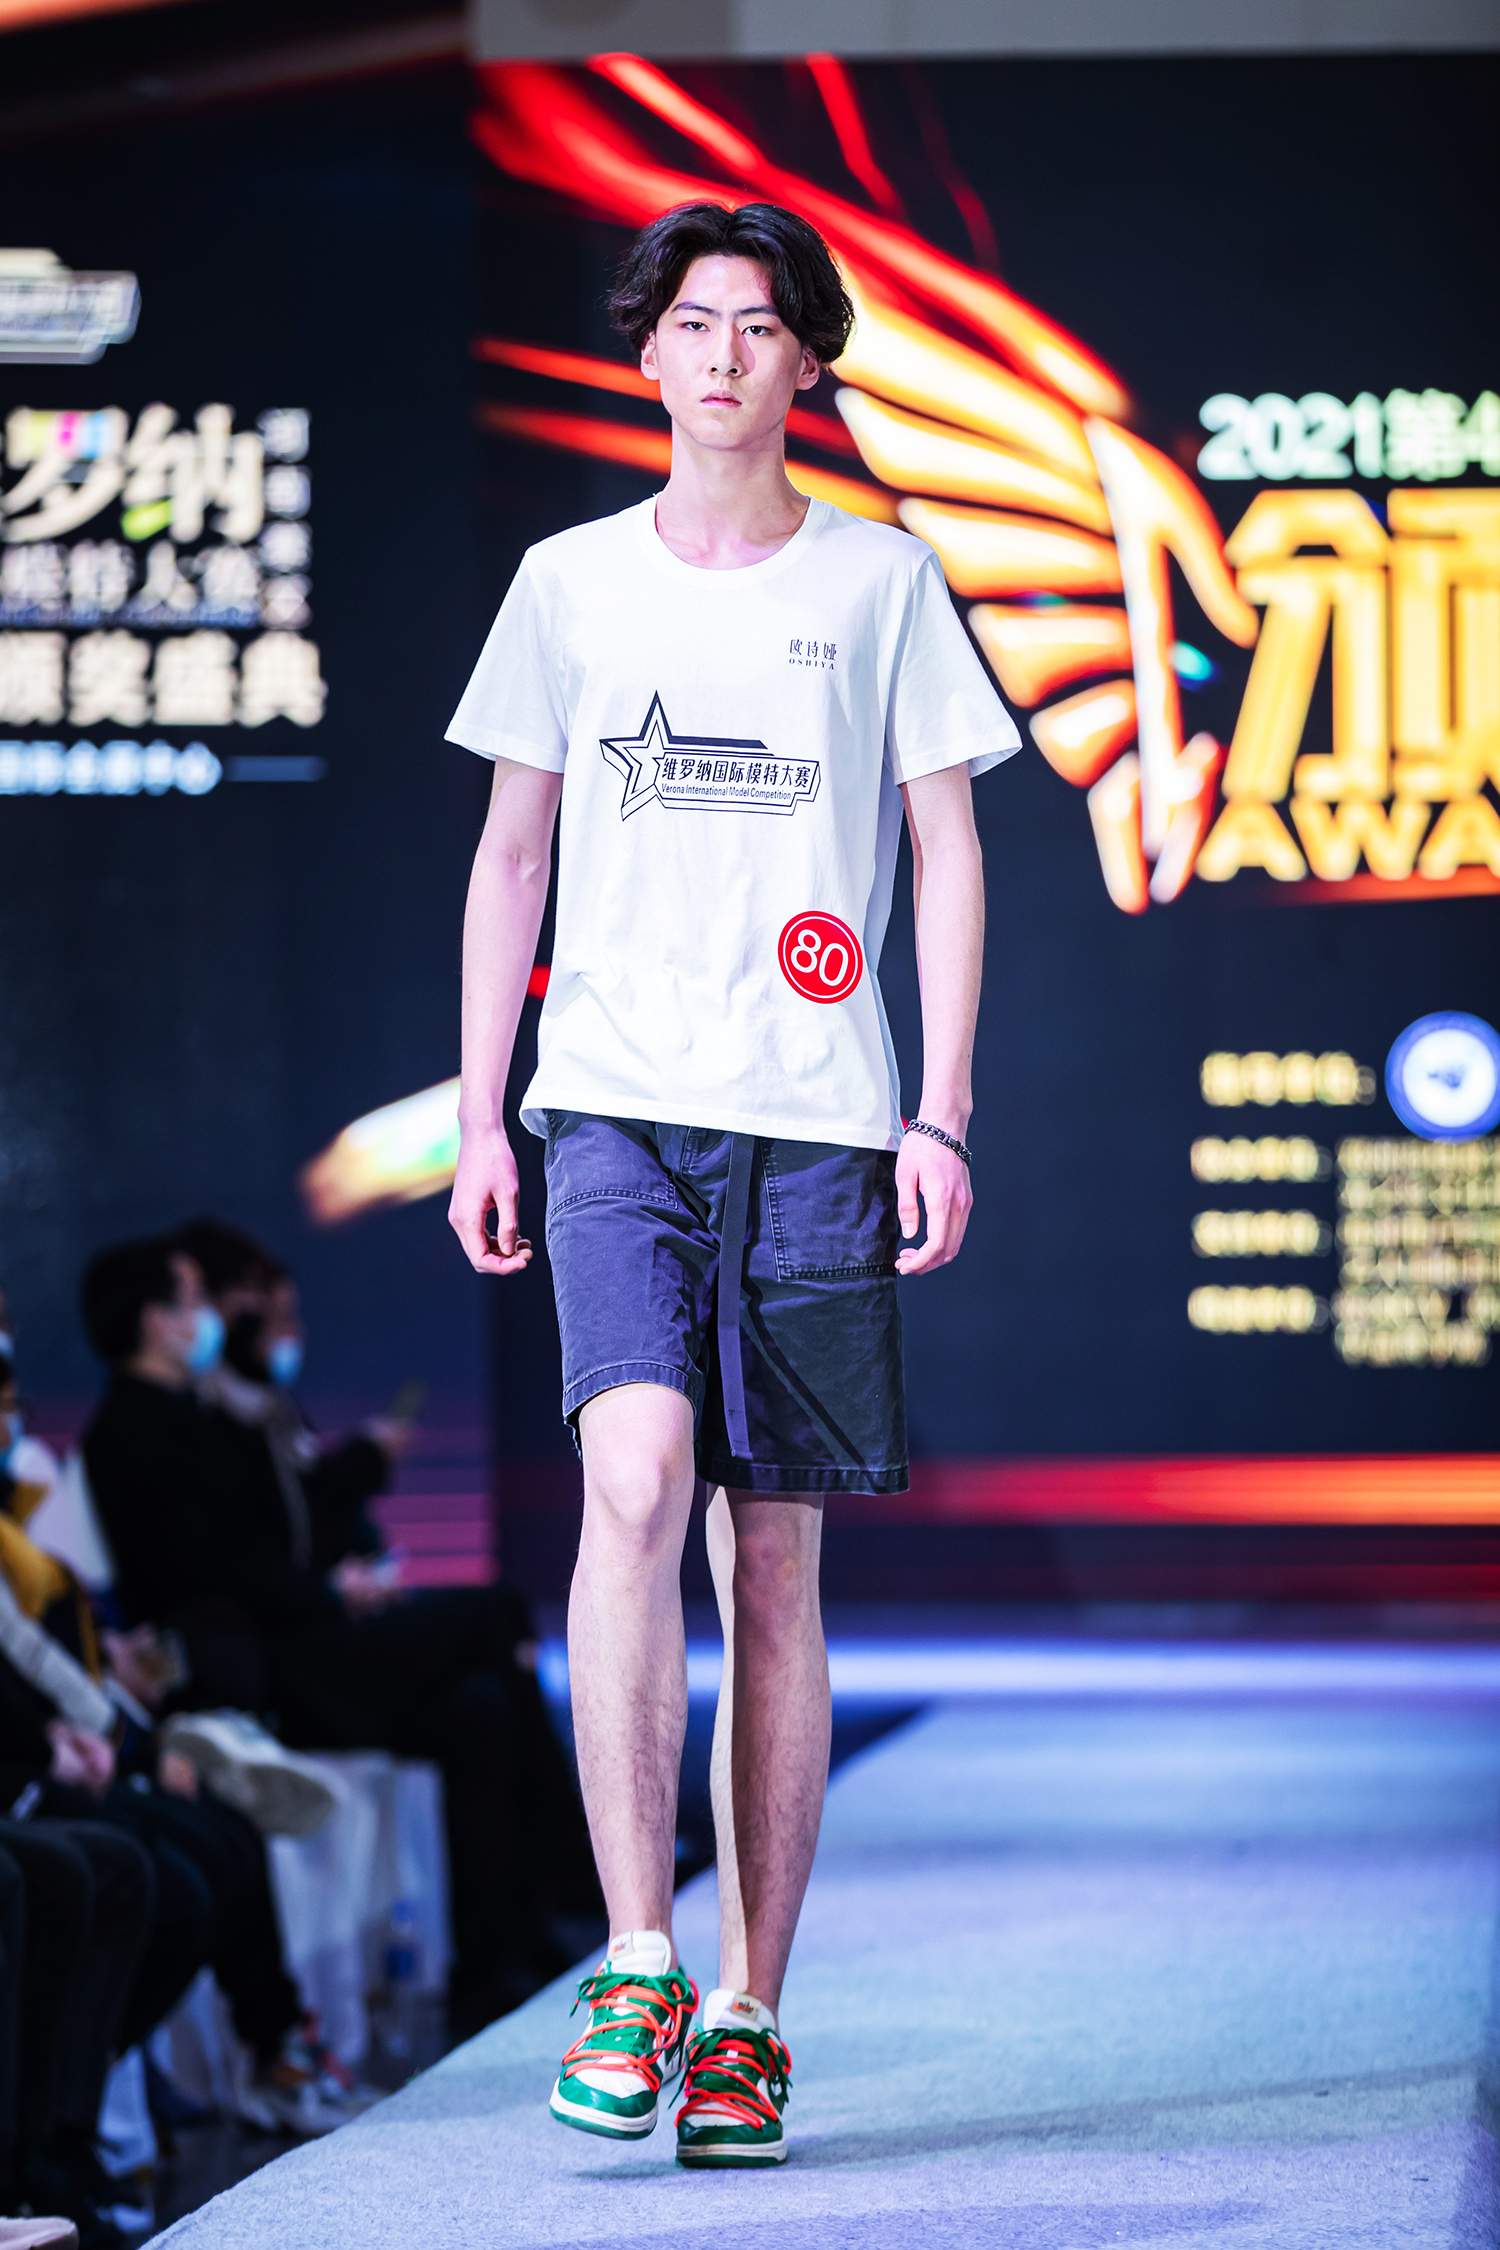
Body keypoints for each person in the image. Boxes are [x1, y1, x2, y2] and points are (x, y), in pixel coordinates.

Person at [442, 198, 1020, 2164]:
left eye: (759, 326)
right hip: (610, 1106)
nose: (720, 354)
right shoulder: (568, 583)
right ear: (645, 352)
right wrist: (482, 1114)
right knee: (633, 1478)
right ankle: (635, 1954)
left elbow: (946, 848)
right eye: (691, 322)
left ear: (806, 363)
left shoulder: (883, 582)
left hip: (820, 1119)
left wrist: (940, 1108)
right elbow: (510, 856)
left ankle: (753, 2009)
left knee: (773, 1556)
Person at [78, 1237, 585, 2030]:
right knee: (493, 1614)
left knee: (481, 1708)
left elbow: (284, 1530)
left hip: (302, 1638)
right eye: (196, 1299)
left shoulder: (204, 1413)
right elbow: (211, 1572)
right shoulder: (136, 1430)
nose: (214, 1319)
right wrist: (326, 1590)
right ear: (154, 1318)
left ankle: (496, 1959)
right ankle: (580, 1871)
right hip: (271, 1663)